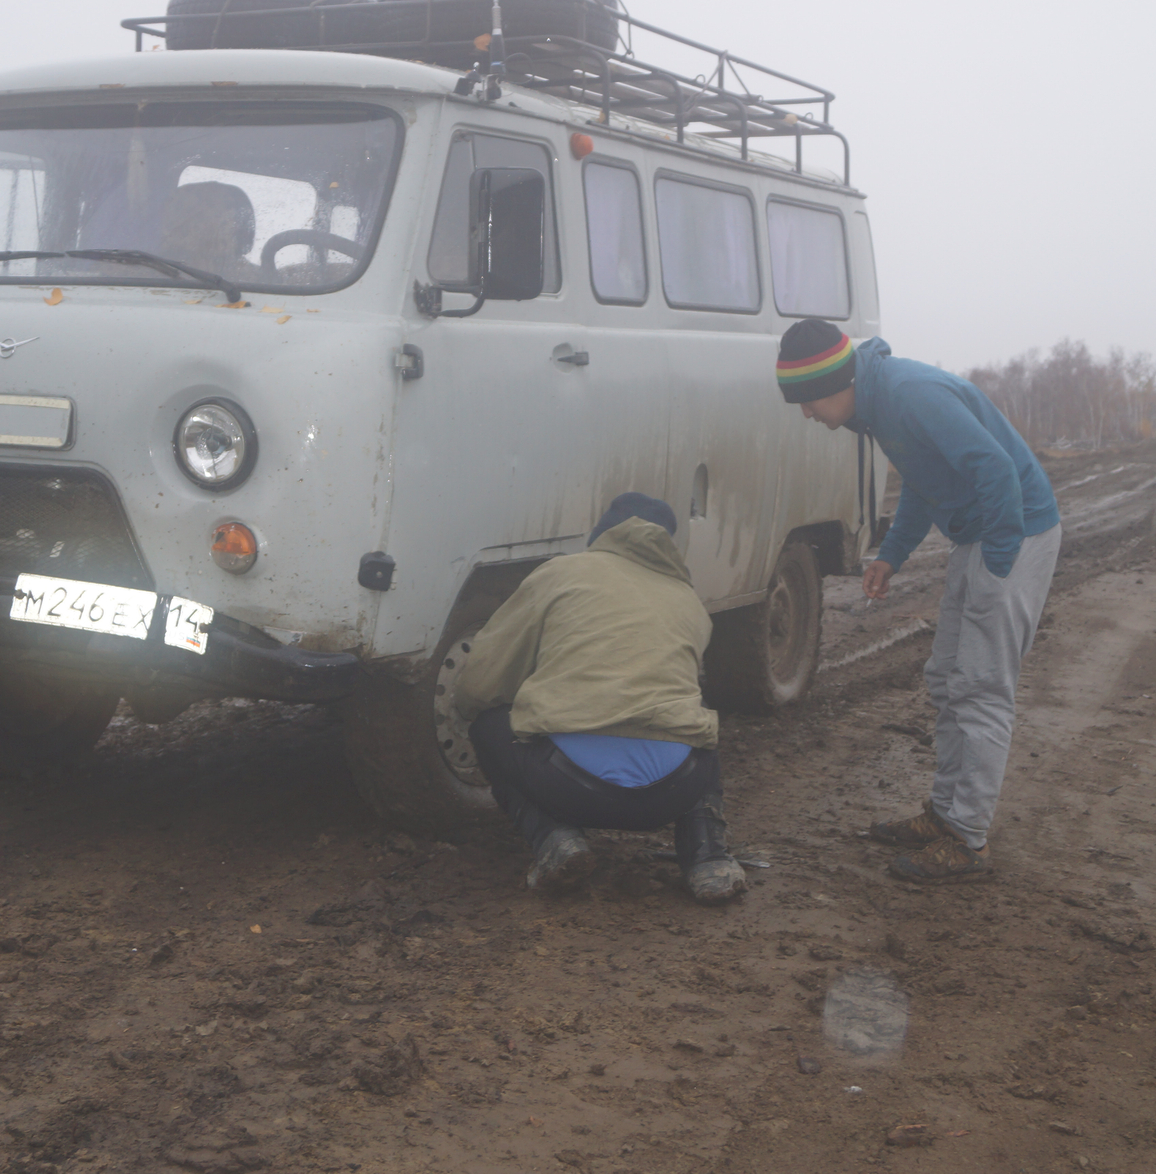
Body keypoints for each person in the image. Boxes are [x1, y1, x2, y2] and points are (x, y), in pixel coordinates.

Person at [775, 319, 1061, 884]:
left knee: (980, 685)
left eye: (806, 402)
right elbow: (926, 485)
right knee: (948, 676)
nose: (806, 415)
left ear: (834, 382)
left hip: (1012, 535)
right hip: (981, 538)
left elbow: (996, 469)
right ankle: (947, 816)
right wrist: (892, 555)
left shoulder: (909, 395)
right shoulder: (882, 405)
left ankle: (969, 839)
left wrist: (999, 565)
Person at [451, 493, 745, 904]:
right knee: (695, 725)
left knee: (489, 726)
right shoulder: (688, 600)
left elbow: (482, 681)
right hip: (673, 791)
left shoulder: (561, 573)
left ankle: (555, 839)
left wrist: (470, 712)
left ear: (601, 534)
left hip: (567, 785)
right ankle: (708, 858)